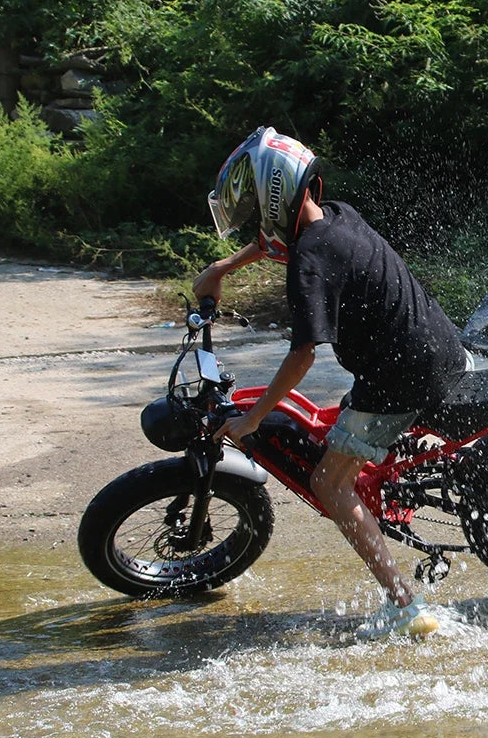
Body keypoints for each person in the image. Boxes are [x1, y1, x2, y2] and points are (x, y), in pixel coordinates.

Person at [193, 126, 470, 638]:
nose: (255, 222)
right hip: (436, 348)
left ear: (275, 200)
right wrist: (222, 268)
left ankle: (405, 604)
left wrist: (252, 419)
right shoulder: (335, 216)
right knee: (338, 423)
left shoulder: (310, 264)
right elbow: (273, 242)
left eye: (256, 209)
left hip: (402, 377)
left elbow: (302, 355)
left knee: (328, 481)